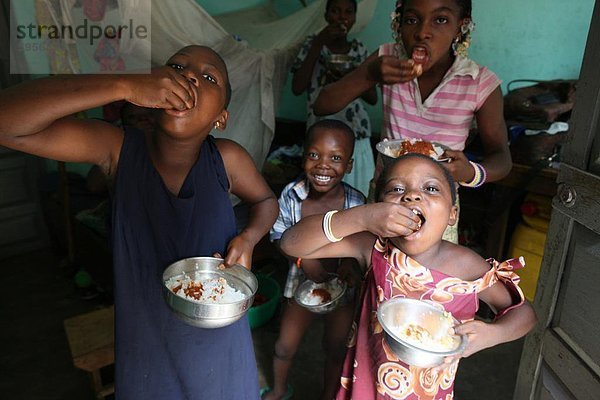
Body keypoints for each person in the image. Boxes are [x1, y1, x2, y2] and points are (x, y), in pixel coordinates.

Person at [0, 45, 279, 400]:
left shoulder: (228, 159)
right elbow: (7, 124)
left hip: (220, 350)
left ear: (220, 118)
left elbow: (266, 201)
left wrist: (250, 237)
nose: (189, 75)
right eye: (177, 67)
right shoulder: (117, 150)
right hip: (146, 351)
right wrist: (123, 85)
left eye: (208, 77)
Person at [278, 153, 537, 399]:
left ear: (452, 214)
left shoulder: (468, 267)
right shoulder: (373, 247)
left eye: (431, 189)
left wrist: (495, 333)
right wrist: (360, 218)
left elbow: (524, 314)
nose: (412, 196)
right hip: (365, 381)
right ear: (379, 209)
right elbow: (291, 243)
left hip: (426, 392)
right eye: (397, 190)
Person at [313, 0, 511, 232]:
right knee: (372, 265)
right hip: (383, 202)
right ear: (398, 24)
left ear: (461, 26)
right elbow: (323, 105)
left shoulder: (479, 83)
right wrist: (370, 74)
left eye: (440, 20)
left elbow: (502, 158)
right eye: (411, 20)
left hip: (437, 213)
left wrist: (471, 173)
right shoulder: (387, 59)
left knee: (427, 270)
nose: (422, 32)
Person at [262, 119, 366, 400]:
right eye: (314, 155)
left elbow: (362, 245)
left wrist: (348, 265)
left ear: (350, 165)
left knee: (336, 349)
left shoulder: (356, 203)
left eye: (335, 158)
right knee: (284, 346)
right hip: (301, 289)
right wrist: (300, 260)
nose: (323, 165)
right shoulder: (291, 195)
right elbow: (277, 236)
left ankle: (328, 395)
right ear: (303, 156)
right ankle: (279, 389)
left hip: (344, 291)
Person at [291, 0, 377, 196]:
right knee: (323, 194)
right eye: (336, 11)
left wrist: (351, 77)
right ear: (326, 15)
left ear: (354, 18)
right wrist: (318, 43)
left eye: (348, 12)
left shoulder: (358, 50)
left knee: (358, 195)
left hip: (357, 134)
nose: (342, 17)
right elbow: (297, 87)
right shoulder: (313, 44)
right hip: (321, 134)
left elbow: (373, 99)